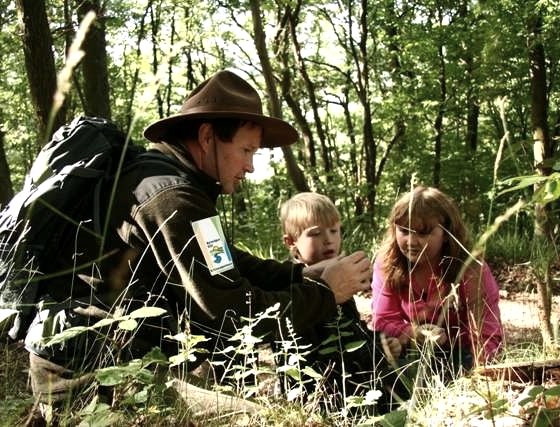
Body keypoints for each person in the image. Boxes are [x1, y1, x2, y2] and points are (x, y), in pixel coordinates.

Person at [23, 70, 373, 418]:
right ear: (208, 137)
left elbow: (227, 263)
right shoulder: (172, 197)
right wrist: (326, 293)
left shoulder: (162, 181)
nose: (250, 166)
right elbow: (231, 317)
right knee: (271, 420)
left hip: (112, 366)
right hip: (94, 379)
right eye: (246, 150)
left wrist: (302, 275)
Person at [279, 192, 404, 413]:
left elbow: (354, 329)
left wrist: (381, 343)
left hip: (357, 379)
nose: (328, 240)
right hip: (322, 391)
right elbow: (307, 354)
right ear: (291, 242)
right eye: (315, 233)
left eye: (334, 231)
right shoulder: (290, 288)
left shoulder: (341, 279)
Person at [371, 186, 503, 376]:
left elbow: (488, 335)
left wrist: (476, 376)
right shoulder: (387, 263)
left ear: (447, 234)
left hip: (463, 355)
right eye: (404, 231)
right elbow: (382, 319)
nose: (411, 241)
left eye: (423, 233)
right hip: (409, 353)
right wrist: (413, 333)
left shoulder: (471, 269)